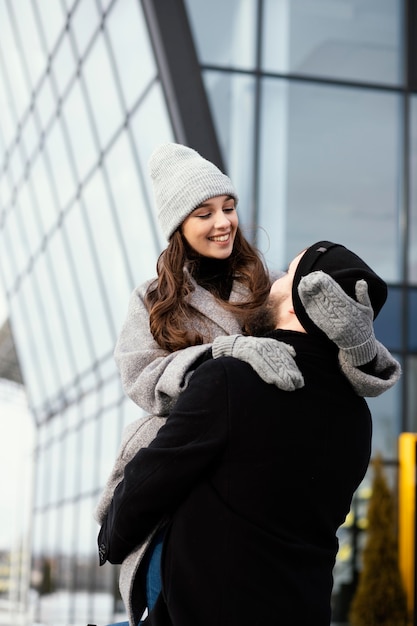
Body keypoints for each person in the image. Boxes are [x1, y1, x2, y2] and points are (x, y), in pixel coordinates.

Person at [96, 144, 400, 625]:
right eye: (205, 213)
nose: (223, 222)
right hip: (180, 450)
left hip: (248, 462)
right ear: (178, 225)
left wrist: (360, 344)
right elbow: (138, 378)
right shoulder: (152, 300)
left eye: (229, 208)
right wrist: (217, 354)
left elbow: (323, 345)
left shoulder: (265, 284)